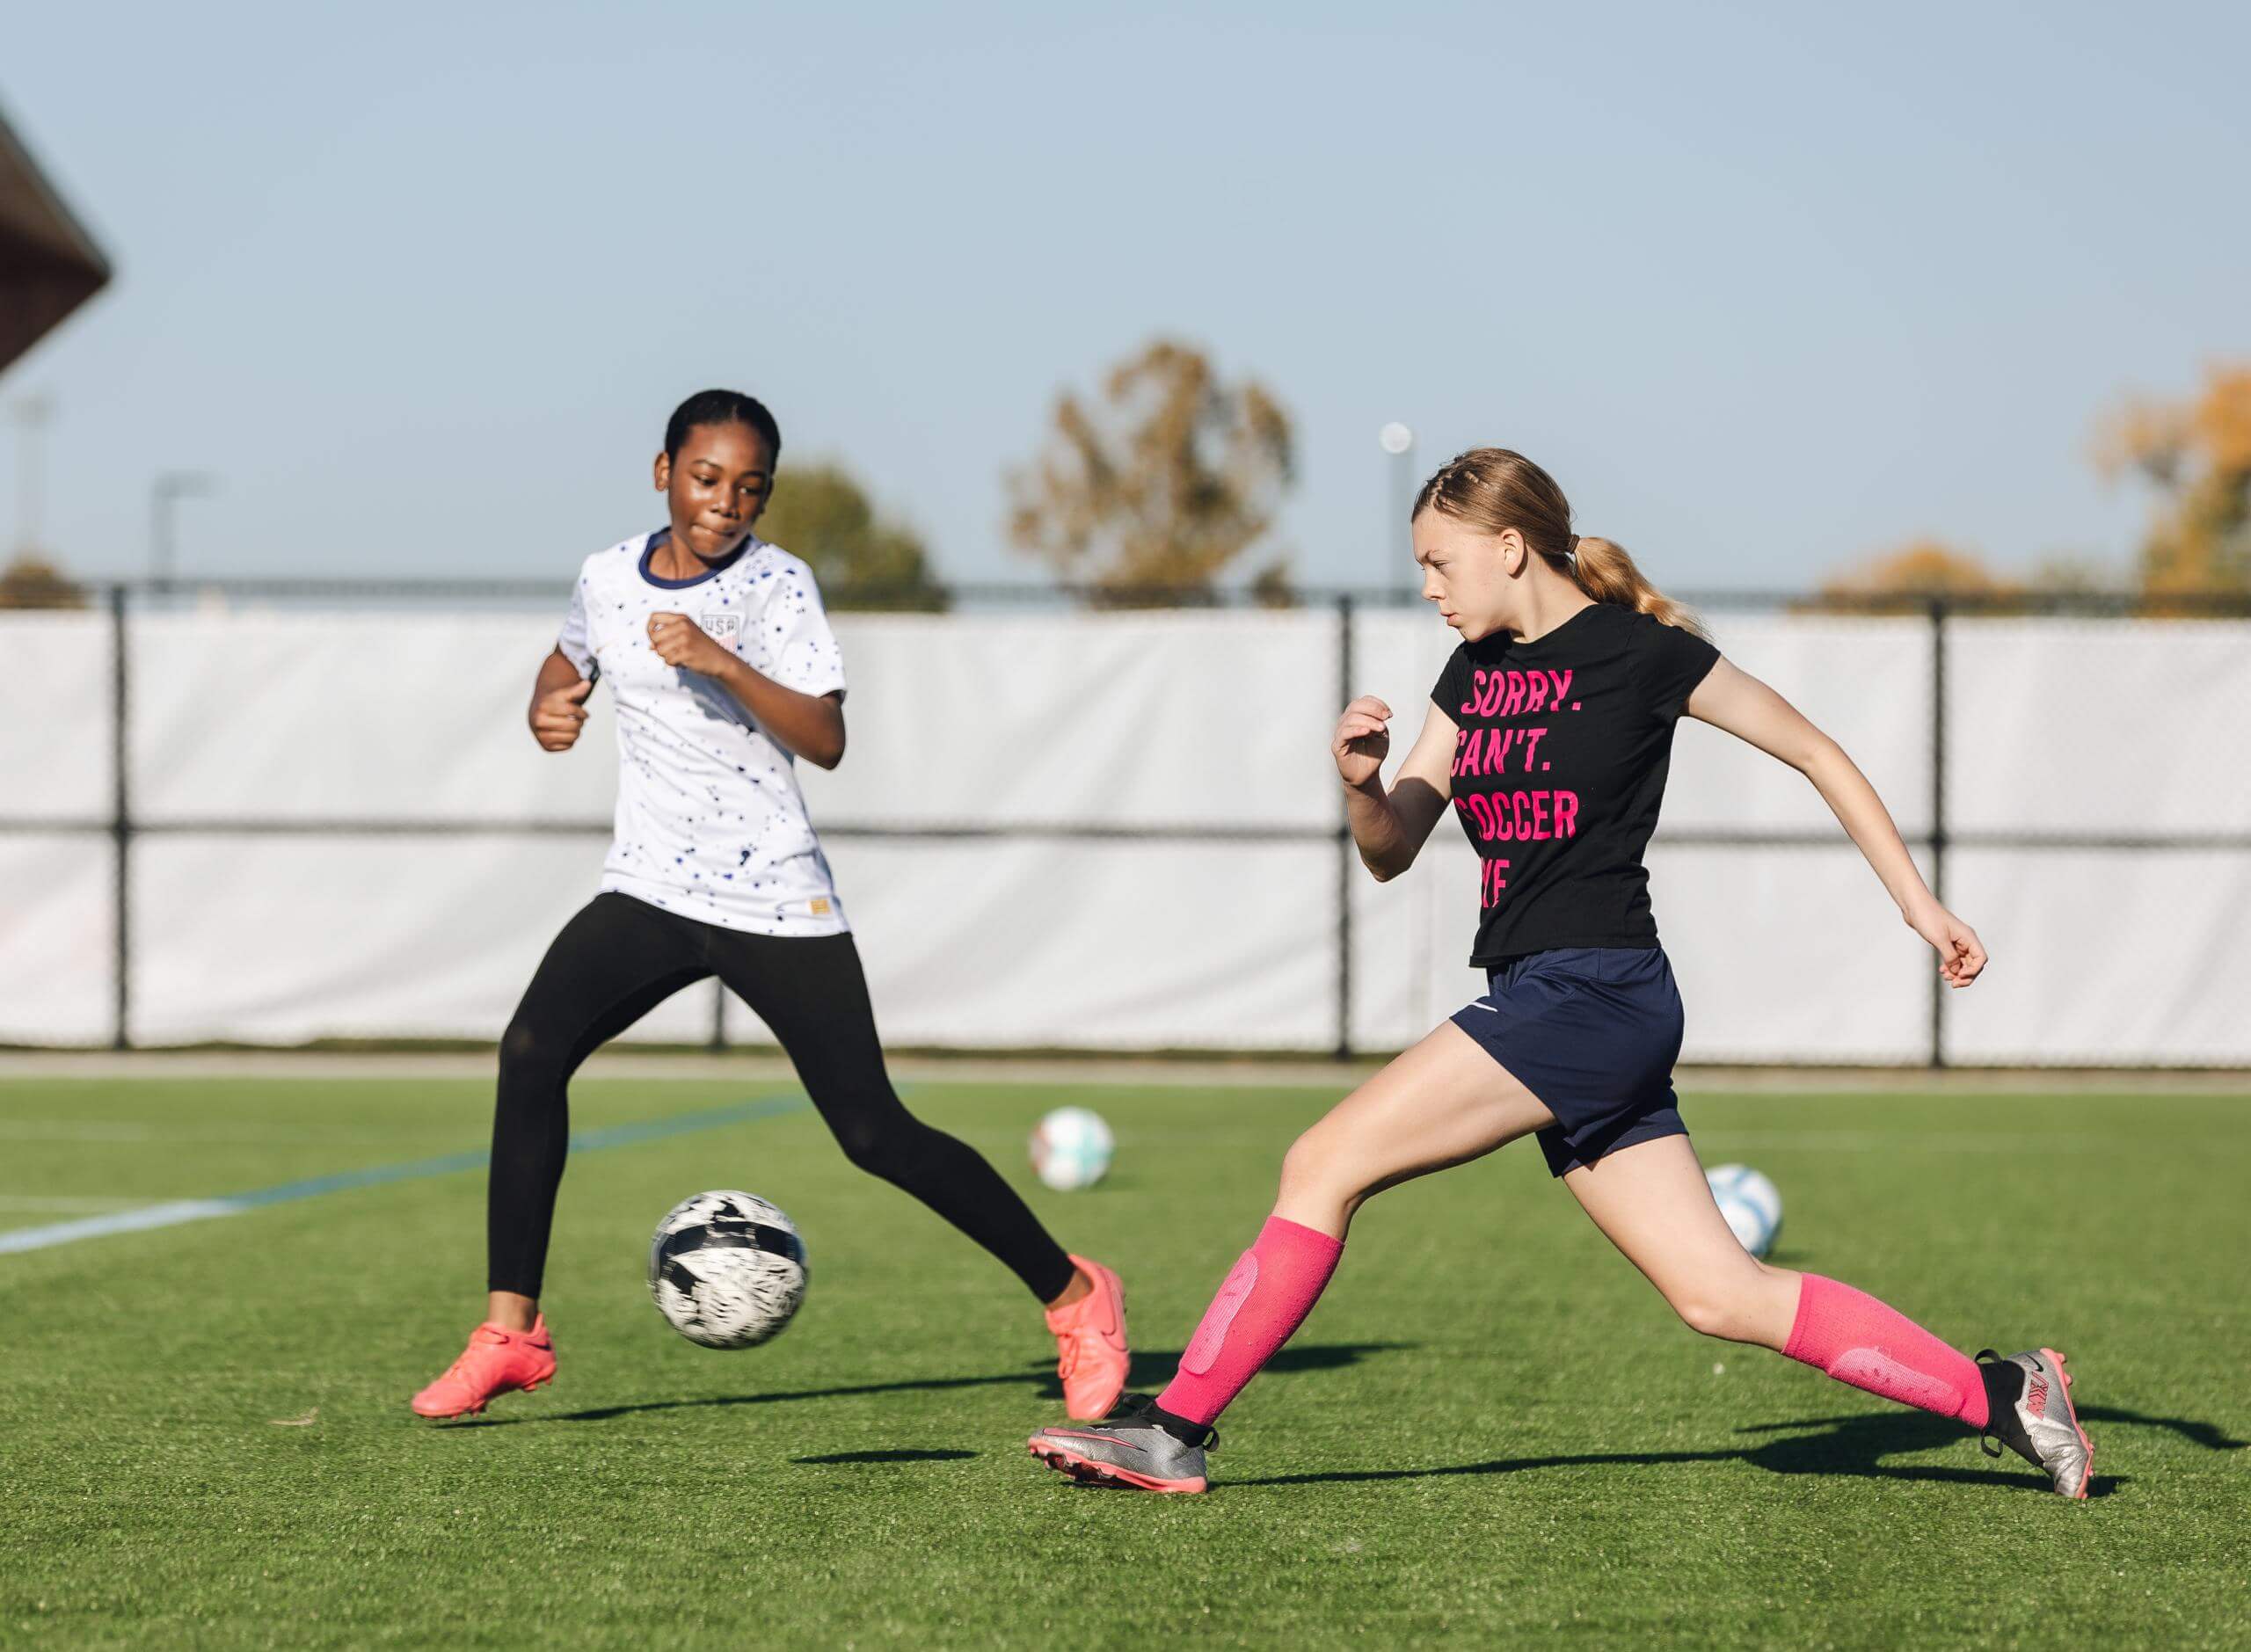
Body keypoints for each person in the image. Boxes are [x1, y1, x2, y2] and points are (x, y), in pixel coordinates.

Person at [1026, 448, 2091, 1497]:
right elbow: (1394, 846)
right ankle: (2006, 1393)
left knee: (1322, 1160)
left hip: (1594, 994)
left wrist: (1919, 904)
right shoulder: (1470, 672)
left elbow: (1816, 749)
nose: (1431, 589)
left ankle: (1174, 1431)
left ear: (1507, 544)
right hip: (1547, 998)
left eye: (1441, 564)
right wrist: (1359, 786)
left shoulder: (1641, 654)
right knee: (1722, 1295)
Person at [412, 389, 1128, 1420]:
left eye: (749, 487)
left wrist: (718, 657)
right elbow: (571, 657)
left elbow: (826, 738)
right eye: (706, 478)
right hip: (651, 886)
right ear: (662, 472)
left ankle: (1075, 1296)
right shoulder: (606, 577)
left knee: (874, 1132)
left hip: (771, 892)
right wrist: (548, 702)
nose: (724, 502)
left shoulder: (778, 585)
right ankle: (511, 1331)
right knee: (531, 1053)